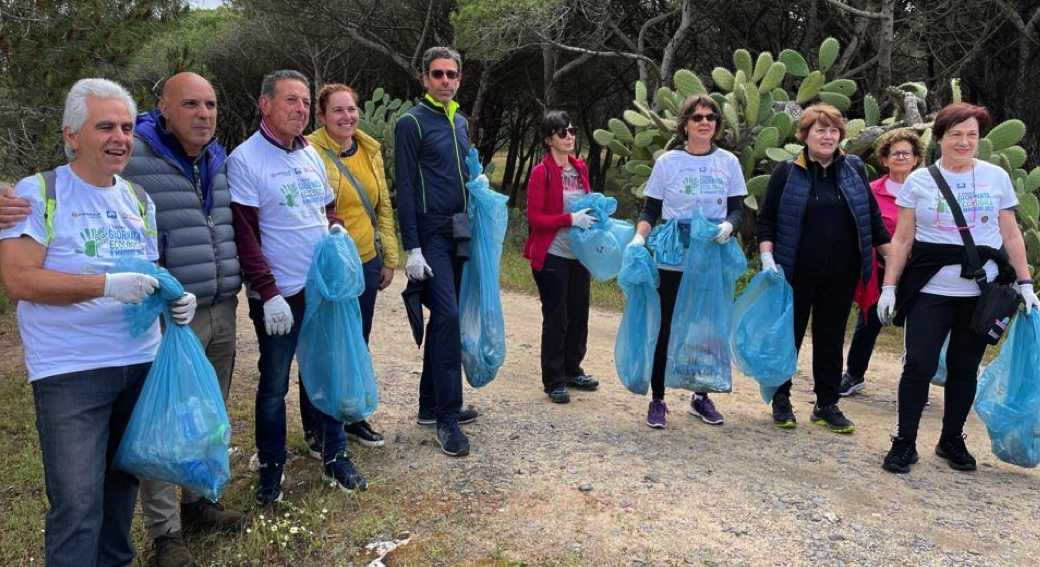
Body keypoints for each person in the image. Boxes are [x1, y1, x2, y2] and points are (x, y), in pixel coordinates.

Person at [0, 78, 194, 567]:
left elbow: (146, 275)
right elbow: (20, 280)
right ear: (71, 136)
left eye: (127, 127)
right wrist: (104, 285)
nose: (119, 138)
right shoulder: (39, 191)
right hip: (71, 373)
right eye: (104, 126)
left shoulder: (139, 200)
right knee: (77, 504)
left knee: (119, 493)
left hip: (139, 366)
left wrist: (172, 299)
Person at [877, 102, 1039, 474]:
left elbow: (1011, 233)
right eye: (956, 135)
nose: (964, 142)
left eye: (972, 135)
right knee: (918, 365)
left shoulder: (995, 177)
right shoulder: (919, 181)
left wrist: (1026, 282)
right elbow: (902, 240)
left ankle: (951, 438)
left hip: (981, 294)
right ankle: (904, 441)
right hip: (931, 290)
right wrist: (889, 287)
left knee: (965, 368)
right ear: (939, 139)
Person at [229, 69, 366, 505]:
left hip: (320, 290)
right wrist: (267, 292)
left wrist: (337, 229)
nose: (301, 109)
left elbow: (326, 207)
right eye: (291, 100)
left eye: (305, 101)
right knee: (274, 386)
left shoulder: (309, 154)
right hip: (279, 296)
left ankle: (334, 453)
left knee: (324, 373)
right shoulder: (246, 160)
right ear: (264, 104)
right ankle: (271, 469)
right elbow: (245, 234)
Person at [756, 103, 891, 433]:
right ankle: (782, 398)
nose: (827, 136)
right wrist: (767, 258)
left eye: (833, 130)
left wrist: (894, 263)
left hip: (841, 273)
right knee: (789, 336)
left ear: (840, 135)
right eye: (820, 130)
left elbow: (871, 219)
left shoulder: (854, 169)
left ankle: (827, 403)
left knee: (831, 339)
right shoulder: (787, 172)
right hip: (795, 272)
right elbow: (767, 220)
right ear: (805, 136)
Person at [629, 94, 747, 429]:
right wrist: (639, 238)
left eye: (711, 117)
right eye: (697, 117)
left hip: (711, 256)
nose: (705, 122)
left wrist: (729, 226)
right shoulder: (668, 163)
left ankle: (700, 396)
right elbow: (650, 209)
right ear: (685, 124)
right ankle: (658, 398)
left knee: (705, 330)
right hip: (673, 256)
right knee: (666, 327)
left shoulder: (728, 163)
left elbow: (739, 208)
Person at [299, 83, 400, 450]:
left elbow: (383, 206)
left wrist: (389, 256)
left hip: (365, 263)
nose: (347, 117)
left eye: (352, 109)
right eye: (338, 110)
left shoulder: (370, 149)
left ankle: (352, 414)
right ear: (322, 116)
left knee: (357, 342)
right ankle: (315, 426)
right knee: (324, 345)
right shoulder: (309, 151)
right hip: (328, 267)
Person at [394, 46, 480, 457]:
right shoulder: (411, 122)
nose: (445, 81)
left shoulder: (460, 121)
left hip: (459, 230)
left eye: (452, 74)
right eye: (437, 74)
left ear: (460, 78)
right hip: (429, 232)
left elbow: (465, 174)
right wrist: (412, 246)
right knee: (444, 315)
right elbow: (406, 187)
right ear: (424, 78)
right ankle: (446, 417)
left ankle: (431, 404)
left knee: (449, 320)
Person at [840, 129, 925, 397]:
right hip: (880, 269)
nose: (901, 157)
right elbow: (867, 227)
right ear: (885, 160)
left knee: (920, 329)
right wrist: (890, 254)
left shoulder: (928, 190)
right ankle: (854, 374)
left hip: (919, 270)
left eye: (906, 153)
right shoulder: (872, 191)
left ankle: (915, 385)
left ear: (915, 159)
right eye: (894, 153)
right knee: (869, 320)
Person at [523, 110, 599, 404]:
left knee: (579, 313)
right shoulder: (541, 173)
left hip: (579, 255)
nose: (569, 137)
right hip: (552, 254)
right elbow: (535, 218)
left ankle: (572, 368)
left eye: (572, 130)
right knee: (557, 316)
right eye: (561, 132)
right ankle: (554, 379)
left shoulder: (580, 169)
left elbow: (587, 204)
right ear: (548, 139)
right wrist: (569, 219)